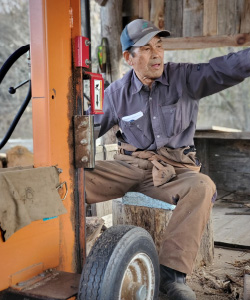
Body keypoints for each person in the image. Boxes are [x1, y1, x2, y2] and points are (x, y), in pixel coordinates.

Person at [85, 19, 250, 300]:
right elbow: (86, 130)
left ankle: (171, 277)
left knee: (203, 186)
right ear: (129, 57)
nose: (157, 54)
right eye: (146, 48)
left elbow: (224, 68)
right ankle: (71, 251)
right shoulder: (114, 94)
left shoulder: (184, 77)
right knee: (71, 180)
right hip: (129, 167)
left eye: (159, 46)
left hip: (175, 172)